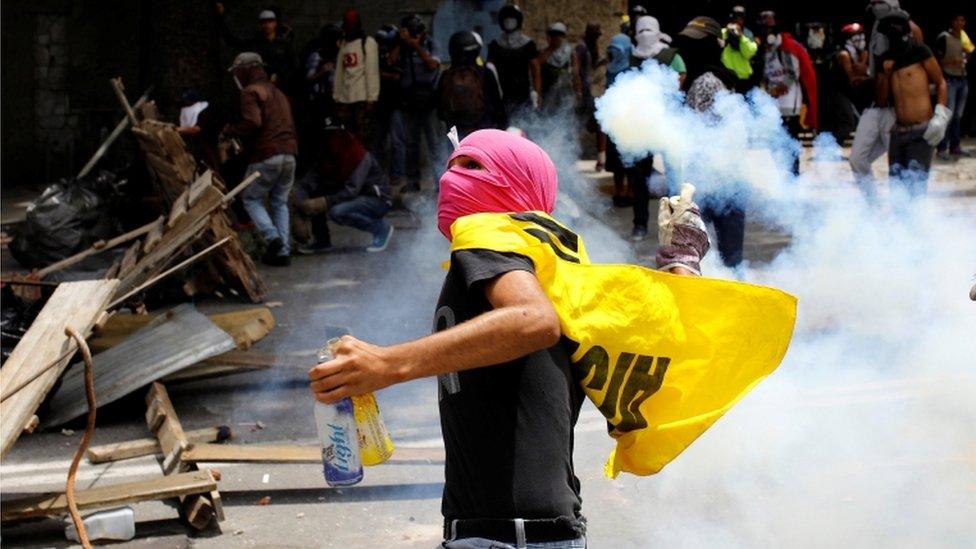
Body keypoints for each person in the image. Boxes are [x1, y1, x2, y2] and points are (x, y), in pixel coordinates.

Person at [308, 128, 707, 548]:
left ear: (520, 183)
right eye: (452, 164)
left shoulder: (488, 236)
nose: (452, 177)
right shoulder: (559, 273)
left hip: (504, 536)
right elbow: (649, 339)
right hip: (540, 532)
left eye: (474, 165)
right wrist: (683, 261)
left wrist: (387, 364)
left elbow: (533, 321)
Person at [675, 16, 746, 269]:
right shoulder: (721, 77)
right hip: (728, 178)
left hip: (710, 180)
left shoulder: (705, 82)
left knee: (696, 257)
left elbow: (697, 135)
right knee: (730, 258)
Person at [223, 52, 298, 266]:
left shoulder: (250, 92)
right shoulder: (278, 92)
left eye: (237, 71)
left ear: (245, 70)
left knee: (251, 199)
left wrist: (232, 130)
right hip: (290, 154)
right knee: (280, 202)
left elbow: (253, 122)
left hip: (268, 154)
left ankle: (272, 238)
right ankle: (283, 251)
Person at [849, 0, 925, 202]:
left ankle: (906, 215)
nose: (873, 6)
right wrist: (867, 79)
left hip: (895, 111)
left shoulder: (909, 28)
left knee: (899, 168)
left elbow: (913, 71)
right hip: (874, 107)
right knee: (857, 160)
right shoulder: (875, 26)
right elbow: (881, 71)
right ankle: (874, 209)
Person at [293, 119, 394, 254]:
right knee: (315, 193)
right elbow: (306, 184)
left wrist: (325, 202)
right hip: (355, 197)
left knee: (337, 211)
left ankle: (381, 229)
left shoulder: (359, 156)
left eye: (335, 135)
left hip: (377, 199)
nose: (331, 140)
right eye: (327, 136)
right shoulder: (326, 156)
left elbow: (351, 190)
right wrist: (299, 209)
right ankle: (322, 240)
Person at [627, 15, 686, 240]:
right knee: (640, 176)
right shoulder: (633, 57)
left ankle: (675, 225)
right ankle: (640, 224)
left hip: (668, 121)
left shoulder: (671, 55)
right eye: (641, 31)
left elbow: (681, 77)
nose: (645, 35)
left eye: (648, 30)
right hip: (643, 125)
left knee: (673, 174)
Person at [877, 14, 949, 196]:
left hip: (921, 131)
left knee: (915, 190)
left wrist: (940, 114)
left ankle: (917, 225)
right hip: (898, 133)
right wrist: (886, 75)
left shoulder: (921, 52)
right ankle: (900, 225)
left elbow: (940, 82)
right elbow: (882, 100)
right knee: (897, 191)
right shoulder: (886, 60)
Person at [758, 11, 818, 175]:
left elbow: (792, 74)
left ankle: (793, 175)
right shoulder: (768, 49)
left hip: (789, 103)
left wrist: (778, 89)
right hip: (775, 104)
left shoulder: (785, 47)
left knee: (790, 141)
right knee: (777, 142)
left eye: (768, 28)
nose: (766, 32)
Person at [391, 14, 442, 192]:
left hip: (429, 101)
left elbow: (432, 65)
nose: (403, 34)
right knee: (411, 143)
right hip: (410, 101)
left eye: (405, 30)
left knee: (434, 143)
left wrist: (416, 45)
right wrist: (401, 43)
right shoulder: (403, 48)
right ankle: (412, 180)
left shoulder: (430, 44)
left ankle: (440, 182)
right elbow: (391, 61)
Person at [438, 31, 506, 139]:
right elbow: (497, 105)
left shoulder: (446, 75)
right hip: (483, 130)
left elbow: (440, 110)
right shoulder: (485, 72)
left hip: (455, 132)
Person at [216, 4, 296, 90]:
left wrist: (280, 78)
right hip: (259, 86)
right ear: (260, 25)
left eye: (270, 22)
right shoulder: (254, 43)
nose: (267, 25)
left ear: (275, 23)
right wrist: (220, 17)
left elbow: (293, 66)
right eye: (263, 22)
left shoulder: (284, 44)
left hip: (281, 87)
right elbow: (231, 41)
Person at [333, 9, 380, 145]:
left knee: (362, 140)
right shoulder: (344, 44)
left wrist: (371, 99)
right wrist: (337, 96)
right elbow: (339, 74)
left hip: (361, 100)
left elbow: (372, 73)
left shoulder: (367, 43)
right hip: (345, 100)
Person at [488, 4, 540, 114]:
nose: (509, 21)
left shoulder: (528, 44)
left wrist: (537, 92)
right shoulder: (495, 45)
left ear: (518, 20)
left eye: (512, 18)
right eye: (506, 19)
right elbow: (490, 69)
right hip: (501, 93)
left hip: (523, 93)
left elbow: (536, 71)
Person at [822, 23, 870, 142]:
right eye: (855, 36)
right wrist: (866, 74)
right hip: (837, 92)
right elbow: (853, 79)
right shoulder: (844, 54)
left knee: (860, 120)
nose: (860, 40)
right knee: (848, 123)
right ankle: (830, 148)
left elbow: (862, 71)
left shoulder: (862, 53)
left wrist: (864, 62)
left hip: (848, 93)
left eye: (861, 35)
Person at [934, 14, 971, 160]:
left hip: (962, 79)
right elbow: (936, 60)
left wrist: (965, 58)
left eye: (962, 20)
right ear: (952, 21)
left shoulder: (964, 36)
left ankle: (955, 146)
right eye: (956, 20)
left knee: (958, 116)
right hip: (949, 80)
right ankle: (942, 148)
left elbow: (970, 52)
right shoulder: (944, 37)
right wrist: (950, 62)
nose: (959, 23)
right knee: (947, 116)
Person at [535, 22, 581, 113]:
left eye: (559, 35)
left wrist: (578, 91)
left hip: (565, 92)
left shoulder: (570, 53)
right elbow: (537, 71)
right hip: (548, 93)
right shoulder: (543, 52)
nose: (557, 38)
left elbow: (575, 74)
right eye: (554, 35)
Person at [177, 89, 223, 171]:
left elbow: (196, 129)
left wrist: (177, 130)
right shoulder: (186, 110)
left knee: (215, 166)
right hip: (200, 145)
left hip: (209, 142)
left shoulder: (203, 110)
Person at [721, 17, 759, 93]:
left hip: (742, 78)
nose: (738, 21)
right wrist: (727, 32)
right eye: (736, 18)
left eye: (740, 18)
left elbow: (749, 53)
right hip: (726, 75)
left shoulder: (746, 34)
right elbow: (718, 42)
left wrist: (741, 36)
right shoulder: (723, 32)